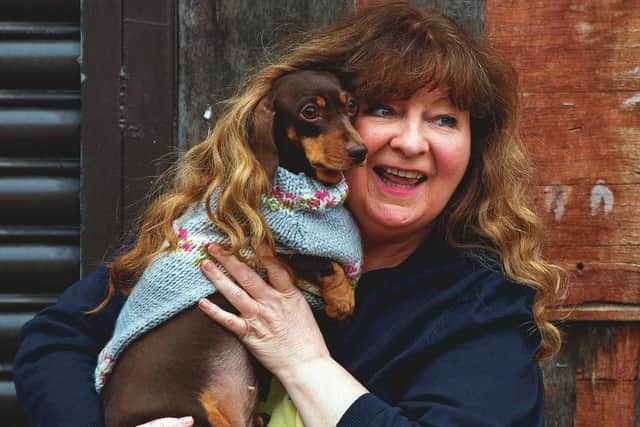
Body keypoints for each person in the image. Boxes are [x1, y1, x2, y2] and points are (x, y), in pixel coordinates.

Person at [14, 3, 564, 426]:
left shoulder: (480, 308)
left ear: (474, 150)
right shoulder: (229, 227)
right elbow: (57, 339)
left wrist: (303, 360)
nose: (411, 141)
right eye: (381, 110)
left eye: (444, 120)